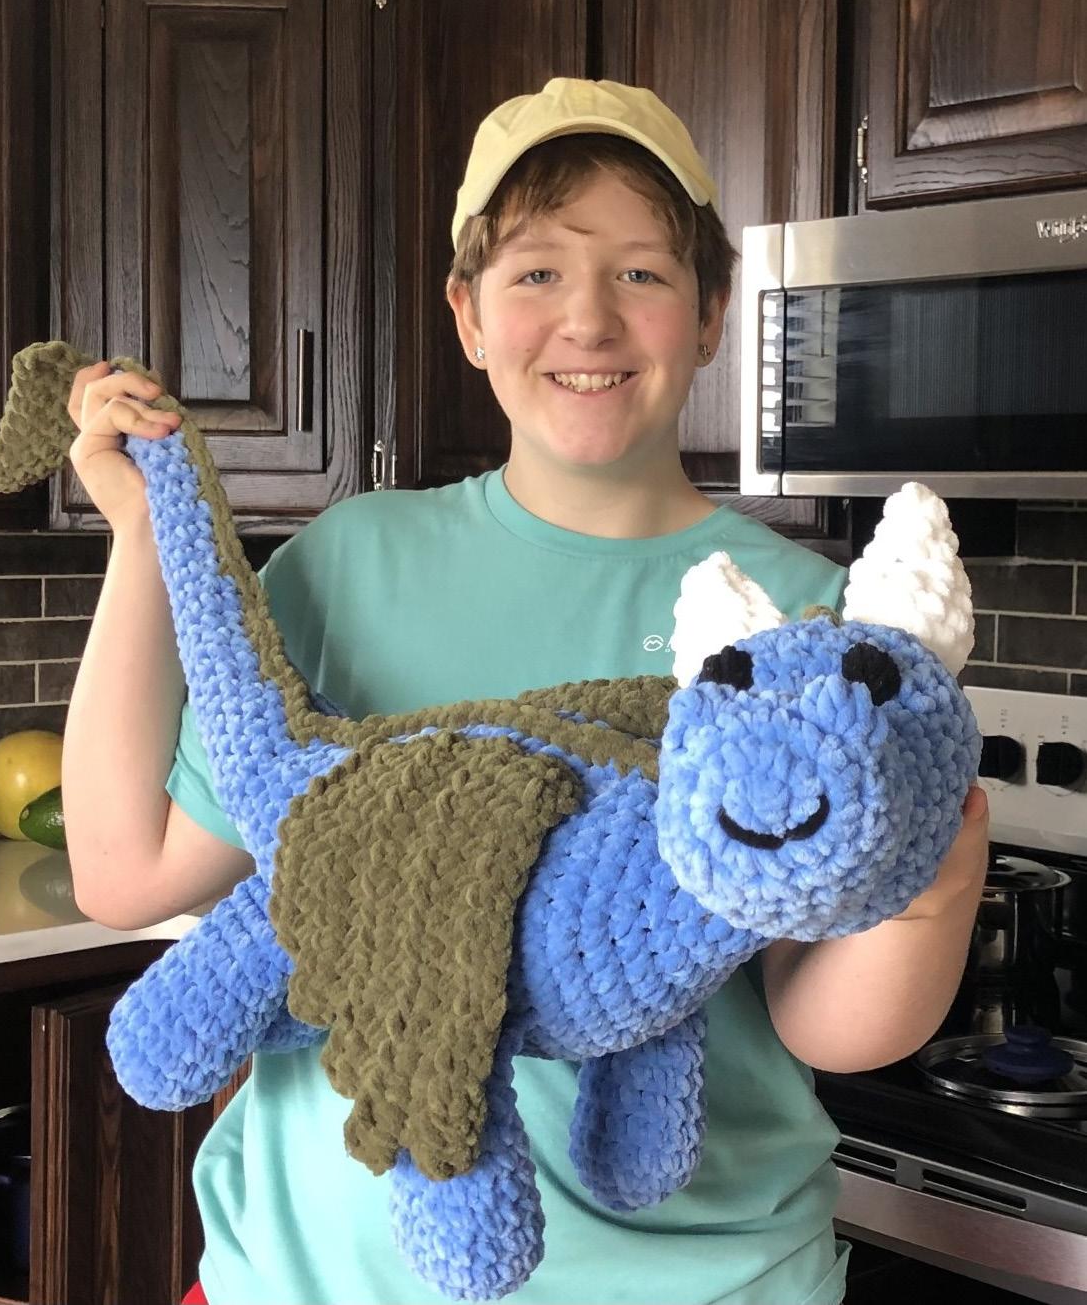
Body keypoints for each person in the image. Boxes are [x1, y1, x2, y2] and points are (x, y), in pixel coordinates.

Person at [62, 78, 989, 1305]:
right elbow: (126, 874)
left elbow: (822, 1026)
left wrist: (932, 892)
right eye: (537, 271)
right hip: (305, 1281)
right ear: (468, 315)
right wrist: (142, 538)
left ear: (711, 315)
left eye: (641, 273)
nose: (588, 320)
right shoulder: (346, 562)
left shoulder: (814, 628)